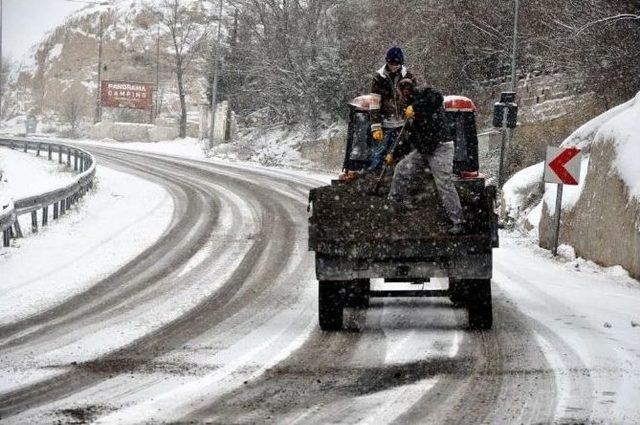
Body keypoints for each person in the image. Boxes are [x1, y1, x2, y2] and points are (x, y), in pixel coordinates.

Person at [386, 86, 466, 235]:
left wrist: (415, 107)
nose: (404, 91)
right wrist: (393, 154)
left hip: (441, 147)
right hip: (424, 150)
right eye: (401, 89)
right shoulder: (406, 112)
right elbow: (407, 138)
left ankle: (458, 222)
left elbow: (437, 97)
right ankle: (393, 202)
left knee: (444, 183)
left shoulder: (426, 96)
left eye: (406, 87)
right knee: (401, 168)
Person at [368, 47, 417, 170]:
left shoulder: (409, 76)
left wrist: (413, 107)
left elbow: (415, 96)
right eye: (391, 63)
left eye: (397, 63)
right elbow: (374, 103)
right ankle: (374, 179)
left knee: (406, 155)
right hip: (386, 124)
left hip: (404, 123)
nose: (394, 66)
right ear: (387, 62)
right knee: (379, 154)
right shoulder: (379, 78)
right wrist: (376, 126)